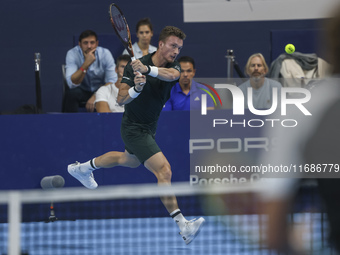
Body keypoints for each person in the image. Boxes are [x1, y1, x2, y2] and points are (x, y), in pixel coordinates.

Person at [68, 26, 205, 244]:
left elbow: (173, 76)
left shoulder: (172, 65)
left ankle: (83, 168)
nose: (175, 51)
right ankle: (183, 225)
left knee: (129, 160)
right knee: (164, 170)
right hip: (133, 128)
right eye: (172, 46)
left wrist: (148, 70)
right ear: (160, 44)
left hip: (150, 126)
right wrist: (135, 90)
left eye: (178, 48)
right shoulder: (133, 69)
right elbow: (121, 99)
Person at [64, 30, 117, 112]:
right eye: (85, 43)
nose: (89, 46)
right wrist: (86, 64)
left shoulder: (105, 54)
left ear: (97, 43)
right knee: (71, 94)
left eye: (92, 43)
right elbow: (72, 83)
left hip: (100, 89)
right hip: (82, 90)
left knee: (113, 92)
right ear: (79, 44)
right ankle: (69, 122)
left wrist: (96, 95)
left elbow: (112, 81)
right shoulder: (72, 54)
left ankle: (108, 123)